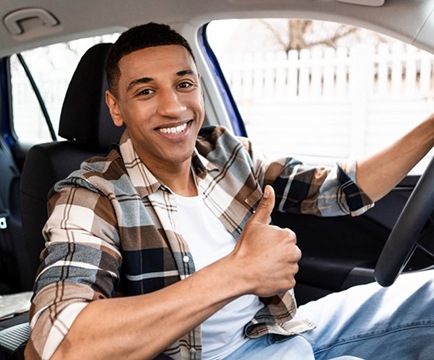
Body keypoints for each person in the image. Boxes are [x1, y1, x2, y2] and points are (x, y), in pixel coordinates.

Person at [25, 22, 434, 360]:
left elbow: (340, 189)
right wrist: (237, 273)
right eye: (146, 91)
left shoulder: (225, 152)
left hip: (275, 331)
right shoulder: (90, 194)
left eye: (184, 84)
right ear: (116, 108)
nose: (173, 107)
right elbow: (61, 344)